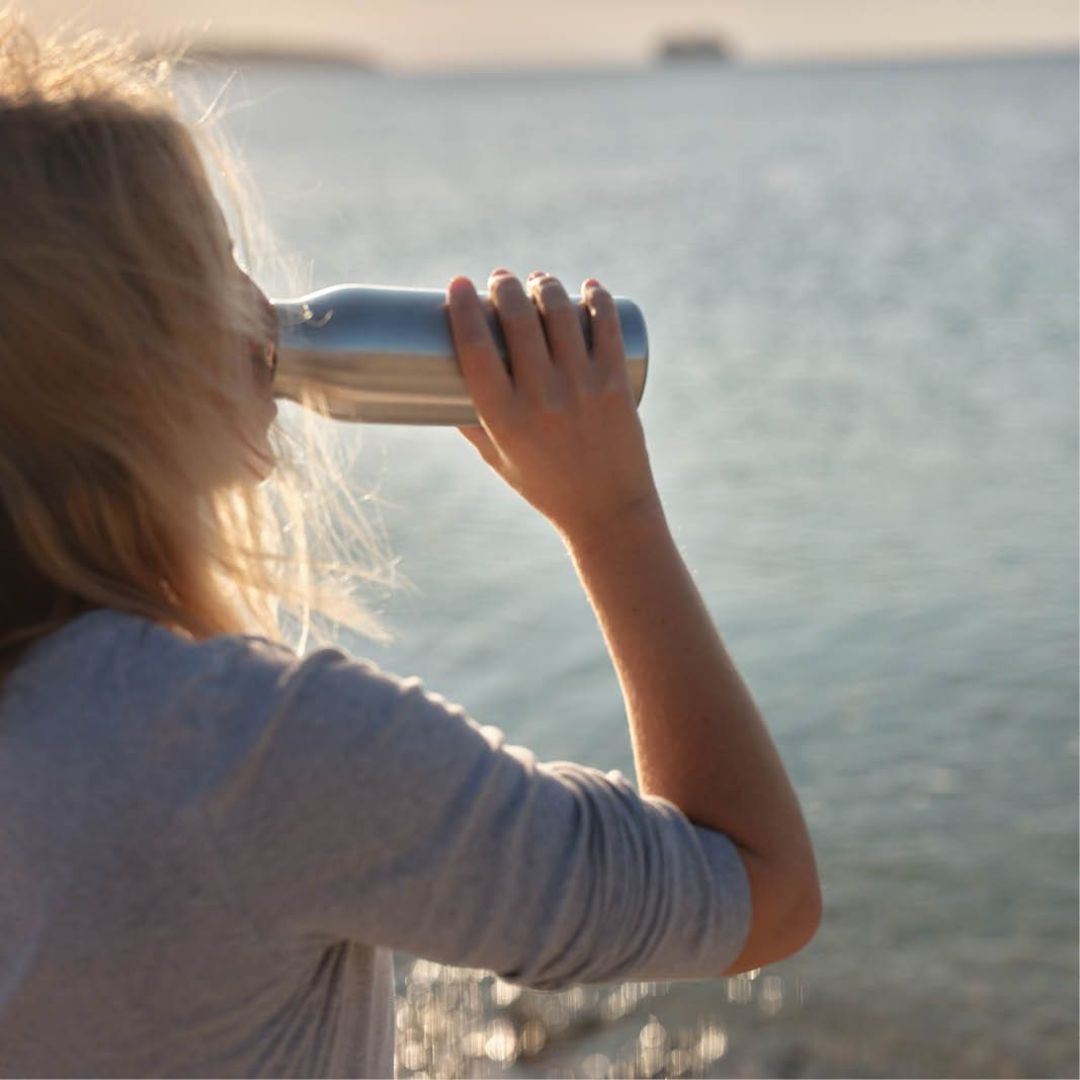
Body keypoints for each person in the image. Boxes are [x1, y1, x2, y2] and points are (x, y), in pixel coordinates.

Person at [0, 8, 821, 1078]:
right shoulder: (254, 753)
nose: (256, 308)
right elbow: (760, 890)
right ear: (130, 356)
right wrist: (612, 516)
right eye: (214, 264)